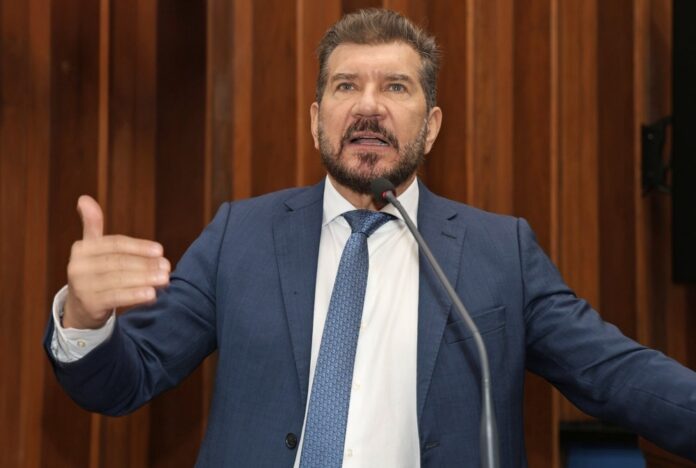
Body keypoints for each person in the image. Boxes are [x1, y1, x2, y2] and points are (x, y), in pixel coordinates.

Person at [44, 8, 696, 467]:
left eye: (395, 87)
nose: (367, 105)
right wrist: (85, 319)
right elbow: (122, 381)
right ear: (316, 119)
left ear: (430, 126)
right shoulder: (239, 236)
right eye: (345, 85)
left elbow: (614, 374)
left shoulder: (502, 252)